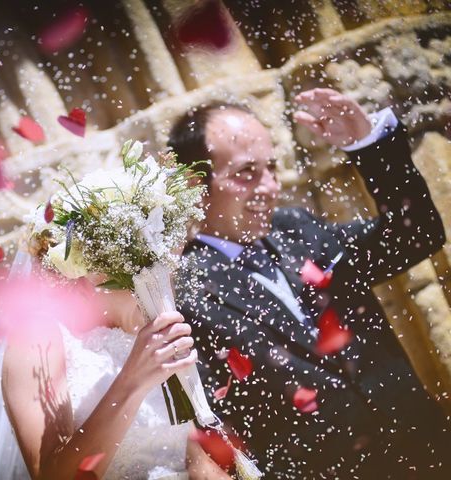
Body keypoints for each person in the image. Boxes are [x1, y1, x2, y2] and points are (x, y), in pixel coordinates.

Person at [169, 87, 451, 478]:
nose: (268, 187)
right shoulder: (185, 291)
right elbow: (215, 424)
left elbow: (415, 234)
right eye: (246, 173)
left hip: (429, 450)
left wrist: (368, 145)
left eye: (270, 168)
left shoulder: (299, 228)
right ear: (192, 186)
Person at [0, 247, 231, 479]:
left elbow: (194, 461)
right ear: (87, 273)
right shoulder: (37, 338)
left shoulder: (146, 341)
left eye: (165, 271)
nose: (162, 291)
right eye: (143, 271)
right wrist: (133, 381)